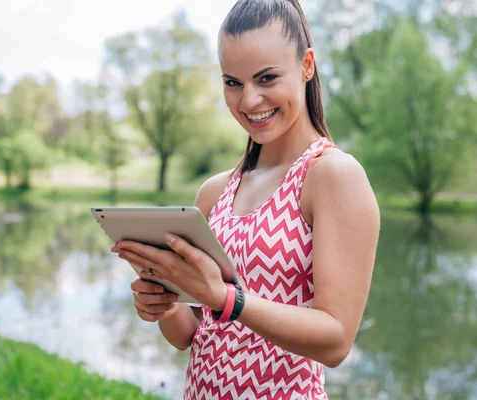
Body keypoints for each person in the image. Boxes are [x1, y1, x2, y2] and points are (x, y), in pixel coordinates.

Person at [112, 0, 380, 398]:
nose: (248, 100)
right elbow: (190, 334)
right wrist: (166, 302)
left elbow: (336, 340)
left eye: (267, 78)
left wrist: (225, 298)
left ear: (307, 65)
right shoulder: (215, 191)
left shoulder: (332, 176)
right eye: (232, 82)